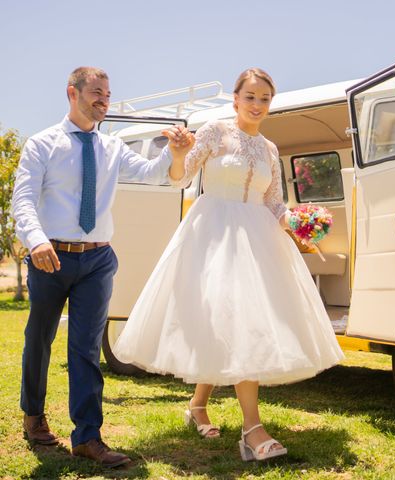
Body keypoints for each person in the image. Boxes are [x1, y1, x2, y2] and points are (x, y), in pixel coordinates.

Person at [113, 68, 344, 461]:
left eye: (265, 99)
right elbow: (180, 179)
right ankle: (252, 430)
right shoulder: (215, 131)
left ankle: (197, 406)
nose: (257, 105)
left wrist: (301, 224)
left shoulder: (270, 149)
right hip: (214, 235)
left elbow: (273, 203)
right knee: (235, 322)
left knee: (236, 324)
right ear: (235, 98)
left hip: (259, 240)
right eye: (250, 97)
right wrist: (178, 153)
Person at [11, 66, 194, 468]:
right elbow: (22, 199)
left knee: (86, 348)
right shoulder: (43, 144)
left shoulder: (111, 148)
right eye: (96, 92)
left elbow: (150, 173)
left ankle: (87, 437)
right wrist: (37, 241)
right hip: (50, 256)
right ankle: (33, 416)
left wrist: (174, 152)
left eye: (108, 94)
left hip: (97, 259)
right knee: (39, 340)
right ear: (71, 93)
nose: (104, 100)